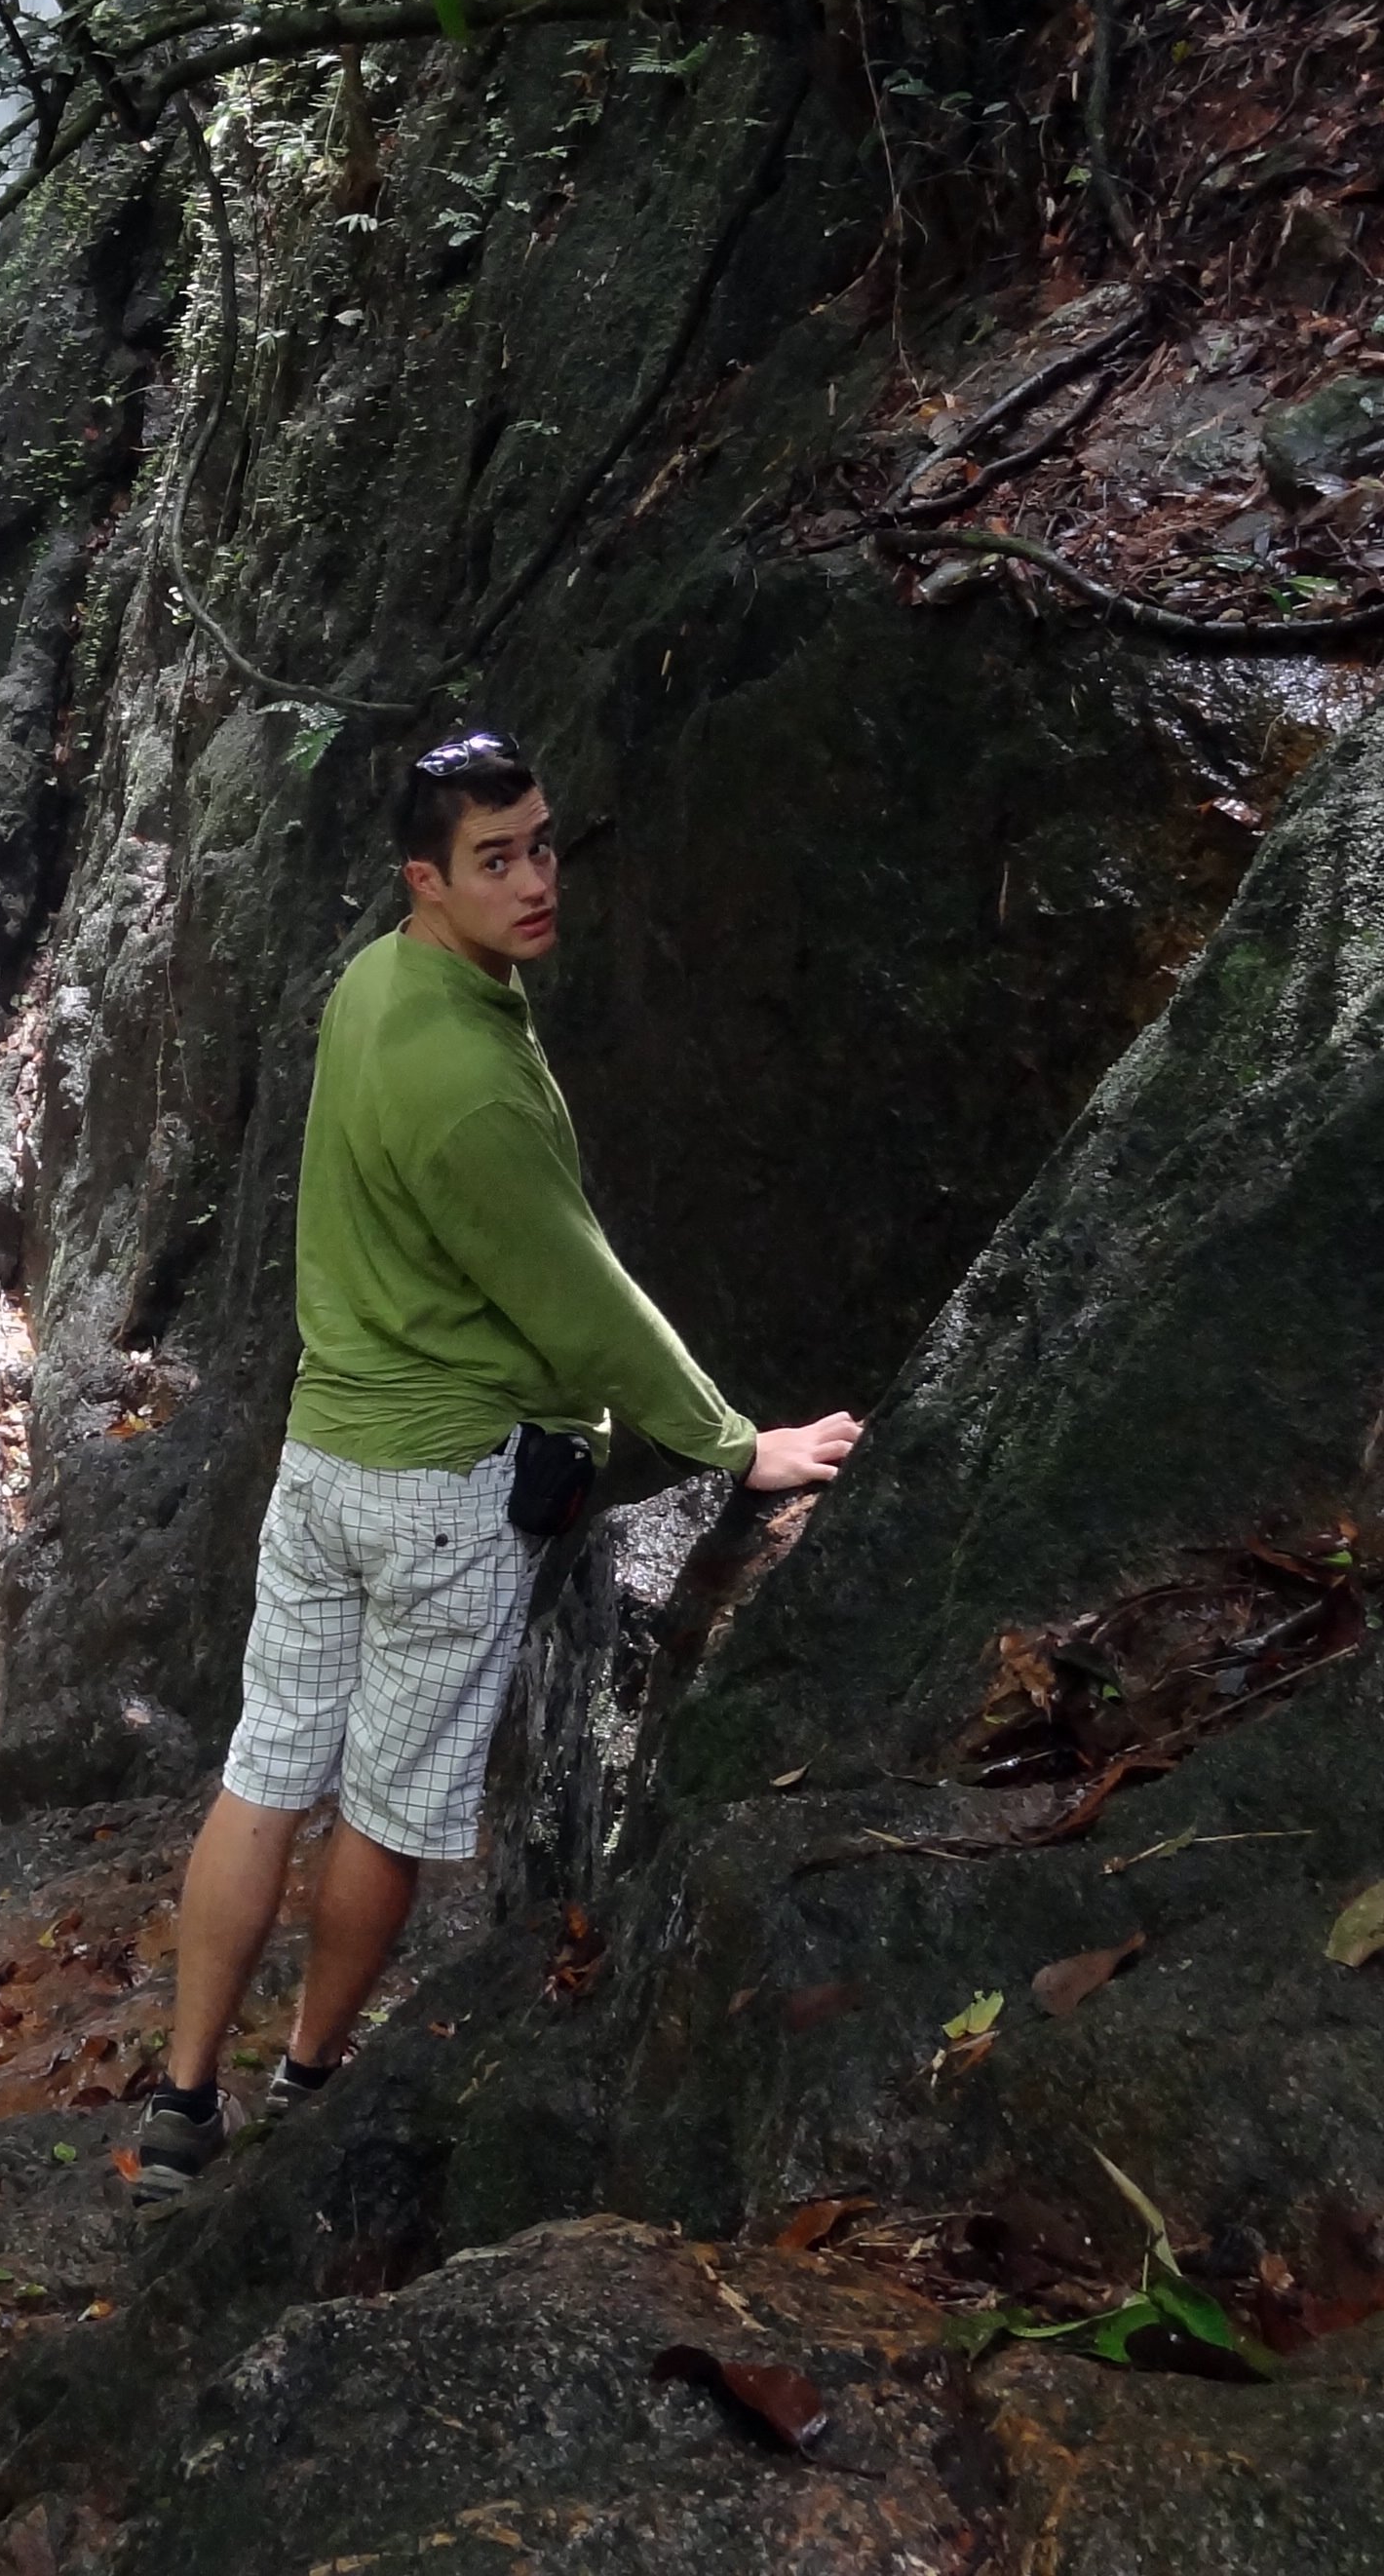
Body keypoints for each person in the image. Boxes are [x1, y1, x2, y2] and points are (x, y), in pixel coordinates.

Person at [134, 730, 862, 2198]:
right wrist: (734, 1443)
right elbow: (585, 1304)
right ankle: (309, 2086)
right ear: (427, 878)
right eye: (495, 860)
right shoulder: (470, 1089)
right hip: (441, 1494)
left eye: (542, 846)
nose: (535, 883)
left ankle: (180, 2105)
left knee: (266, 1772)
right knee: (391, 1811)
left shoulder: (369, 985)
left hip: (323, 1459)